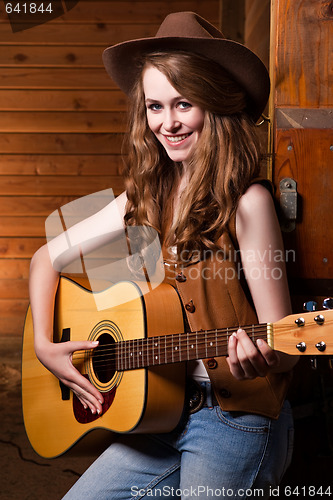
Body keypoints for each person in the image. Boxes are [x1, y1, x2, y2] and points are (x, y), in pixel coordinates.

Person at [29, 12, 298, 499]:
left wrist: (262, 358)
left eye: (183, 104)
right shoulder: (141, 197)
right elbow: (46, 257)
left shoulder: (248, 202)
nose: (167, 122)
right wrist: (46, 346)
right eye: (154, 106)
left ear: (213, 105)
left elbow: (282, 343)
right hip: (159, 410)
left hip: (232, 421)